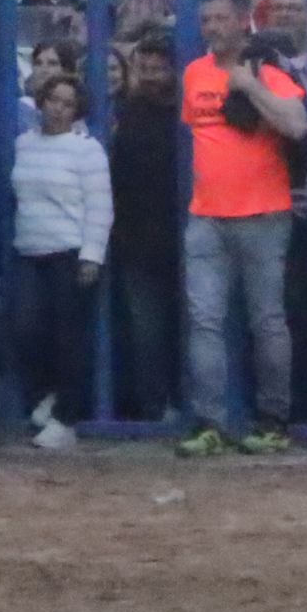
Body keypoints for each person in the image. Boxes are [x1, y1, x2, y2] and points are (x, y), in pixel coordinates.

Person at [178, 0, 307, 455]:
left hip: (263, 212)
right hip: (207, 212)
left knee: (267, 321)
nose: (212, 27)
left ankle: (273, 419)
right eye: (206, 19)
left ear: (242, 21)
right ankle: (209, 421)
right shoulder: (194, 73)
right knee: (205, 320)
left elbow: (296, 125)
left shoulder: (266, 69)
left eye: (220, 19)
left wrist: (250, 86)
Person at [6, 72, 111, 450]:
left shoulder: (87, 150)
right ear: (41, 101)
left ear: (78, 110)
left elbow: (100, 206)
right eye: (54, 100)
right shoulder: (23, 144)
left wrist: (91, 256)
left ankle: (67, 417)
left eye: (68, 104)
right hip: (29, 251)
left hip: (69, 252)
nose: (59, 109)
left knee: (70, 339)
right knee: (26, 330)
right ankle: (47, 397)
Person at [106, 32, 185, 420]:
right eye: (144, 68)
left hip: (186, 236)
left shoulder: (186, 113)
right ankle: (156, 406)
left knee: (190, 327)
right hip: (138, 239)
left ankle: (183, 403)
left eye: (158, 68)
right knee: (147, 332)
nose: (151, 76)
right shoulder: (128, 112)